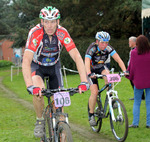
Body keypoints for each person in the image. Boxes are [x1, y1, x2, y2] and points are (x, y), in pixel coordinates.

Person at [22, 6, 89, 138]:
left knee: (60, 111)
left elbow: (76, 56)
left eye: (53, 22)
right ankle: (40, 120)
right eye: (46, 21)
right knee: (39, 91)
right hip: (38, 67)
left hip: (54, 67)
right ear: (42, 21)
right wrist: (30, 85)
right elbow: (26, 61)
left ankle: (62, 130)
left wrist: (84, 81)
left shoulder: (62, 33)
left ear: (58, 22)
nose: (50, 25)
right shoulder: (35, 33)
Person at [85, 31, 127, 126]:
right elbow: (87, 60)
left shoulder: (108, 48)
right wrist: (89, 73)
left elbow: (118, 59)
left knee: (108, 75)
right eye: (102, 42)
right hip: (90, 69)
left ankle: (111, 98)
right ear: (97, 41)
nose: (104, 45)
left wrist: (125, 71)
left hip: (100, 67)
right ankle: (91, 115)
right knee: (95, 92)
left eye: (106, 42)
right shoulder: (92, 48)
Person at [126, 35, 150, 128]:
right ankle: (149, 123)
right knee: (149, 102)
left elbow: (131, 67)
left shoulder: (134, 53)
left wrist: (129, 76)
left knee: (137, 102)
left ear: (137, 43)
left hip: (138, 82)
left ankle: (135, 123)